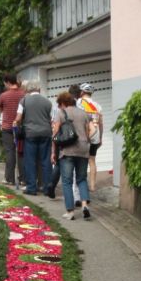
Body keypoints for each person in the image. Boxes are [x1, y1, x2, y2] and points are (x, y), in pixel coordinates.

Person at [52, 91, 91, 220]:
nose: (58, 107)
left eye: (59, 104)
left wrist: (53, 152)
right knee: (82, 179)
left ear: (63, 103)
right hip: (83, 149)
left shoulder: (61, 113)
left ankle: (70, 212)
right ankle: (85, 204)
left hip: (67, 150)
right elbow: (87, 132)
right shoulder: (83, 113)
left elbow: (56, 134)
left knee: (67, 181)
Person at [15, 85, 53, 196]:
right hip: (46, 133)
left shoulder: (24, 101)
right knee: (46, 161)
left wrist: (19, 127)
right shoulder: (48, 102)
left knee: (30, 161)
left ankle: (31, 188)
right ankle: (47, 188)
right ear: (39, 90)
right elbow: (51, 119)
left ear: (27, 90)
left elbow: (18, 118)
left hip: (30, 133)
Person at [0, 73, 26, 188]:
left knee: (9, 152)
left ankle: (9, 178)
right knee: (21, 153)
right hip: (20, 127)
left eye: (5, 83)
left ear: (8, 82)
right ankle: (23, 179)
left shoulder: (4, 95)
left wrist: (0, 110)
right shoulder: (23, 94)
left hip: (7, 127)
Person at [77, 83, 104, 195]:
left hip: (83, 136)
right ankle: (92, 186)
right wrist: (101, 137)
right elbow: (101, 123)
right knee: (92, 160)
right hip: (95, 136)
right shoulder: (98, 105)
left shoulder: (79, 103)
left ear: (82, 92)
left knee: (81, 161)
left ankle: (81, 185)